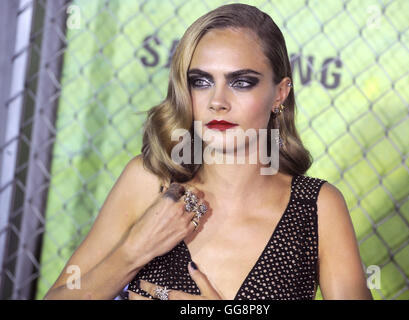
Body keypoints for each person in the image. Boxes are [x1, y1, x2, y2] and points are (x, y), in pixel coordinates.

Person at [44, 3, 372, 300]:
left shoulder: (316, 208)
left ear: (279, 94)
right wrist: (133, 251)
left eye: (241, 82)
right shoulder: (148, 182)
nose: (218, 101)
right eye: (201, 81)